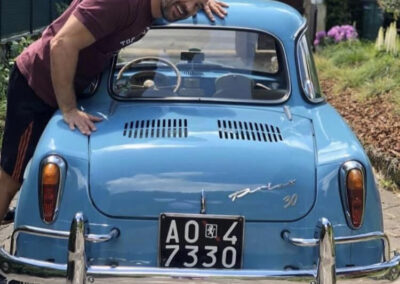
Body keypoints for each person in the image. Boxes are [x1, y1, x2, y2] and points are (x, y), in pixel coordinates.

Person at [0, 0, 229, 223]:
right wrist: (68, 108)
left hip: (70, 85)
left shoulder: (158, 10)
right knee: (11, 176)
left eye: (196, 6)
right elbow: (62, 43)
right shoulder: (118, 3)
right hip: (37, 86)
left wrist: (202, 2)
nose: (188, 8)